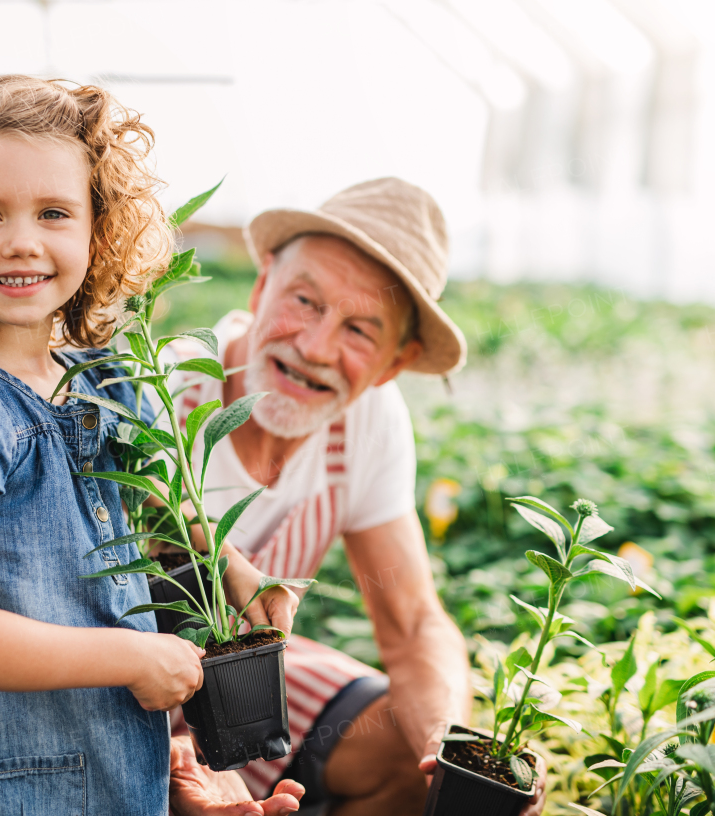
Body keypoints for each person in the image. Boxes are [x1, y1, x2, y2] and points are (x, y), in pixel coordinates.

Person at [0, 74, 285, 816]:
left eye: (54, 212)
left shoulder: (106, 378)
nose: (21, 241)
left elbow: (149, 526)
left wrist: (231, 570)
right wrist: (130, 655)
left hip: (108, 763)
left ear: (98, 228)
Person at [166, 178, 546, 815]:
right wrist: (169, 757)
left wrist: (449, 746)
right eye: (305, 301)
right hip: (110, 686)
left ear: (396, 363)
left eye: (360, 331)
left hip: (244, 705)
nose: (314, 348)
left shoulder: (369, 421)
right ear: (262, 287)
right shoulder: (163, 388)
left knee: (406, 743)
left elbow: (414, 623)